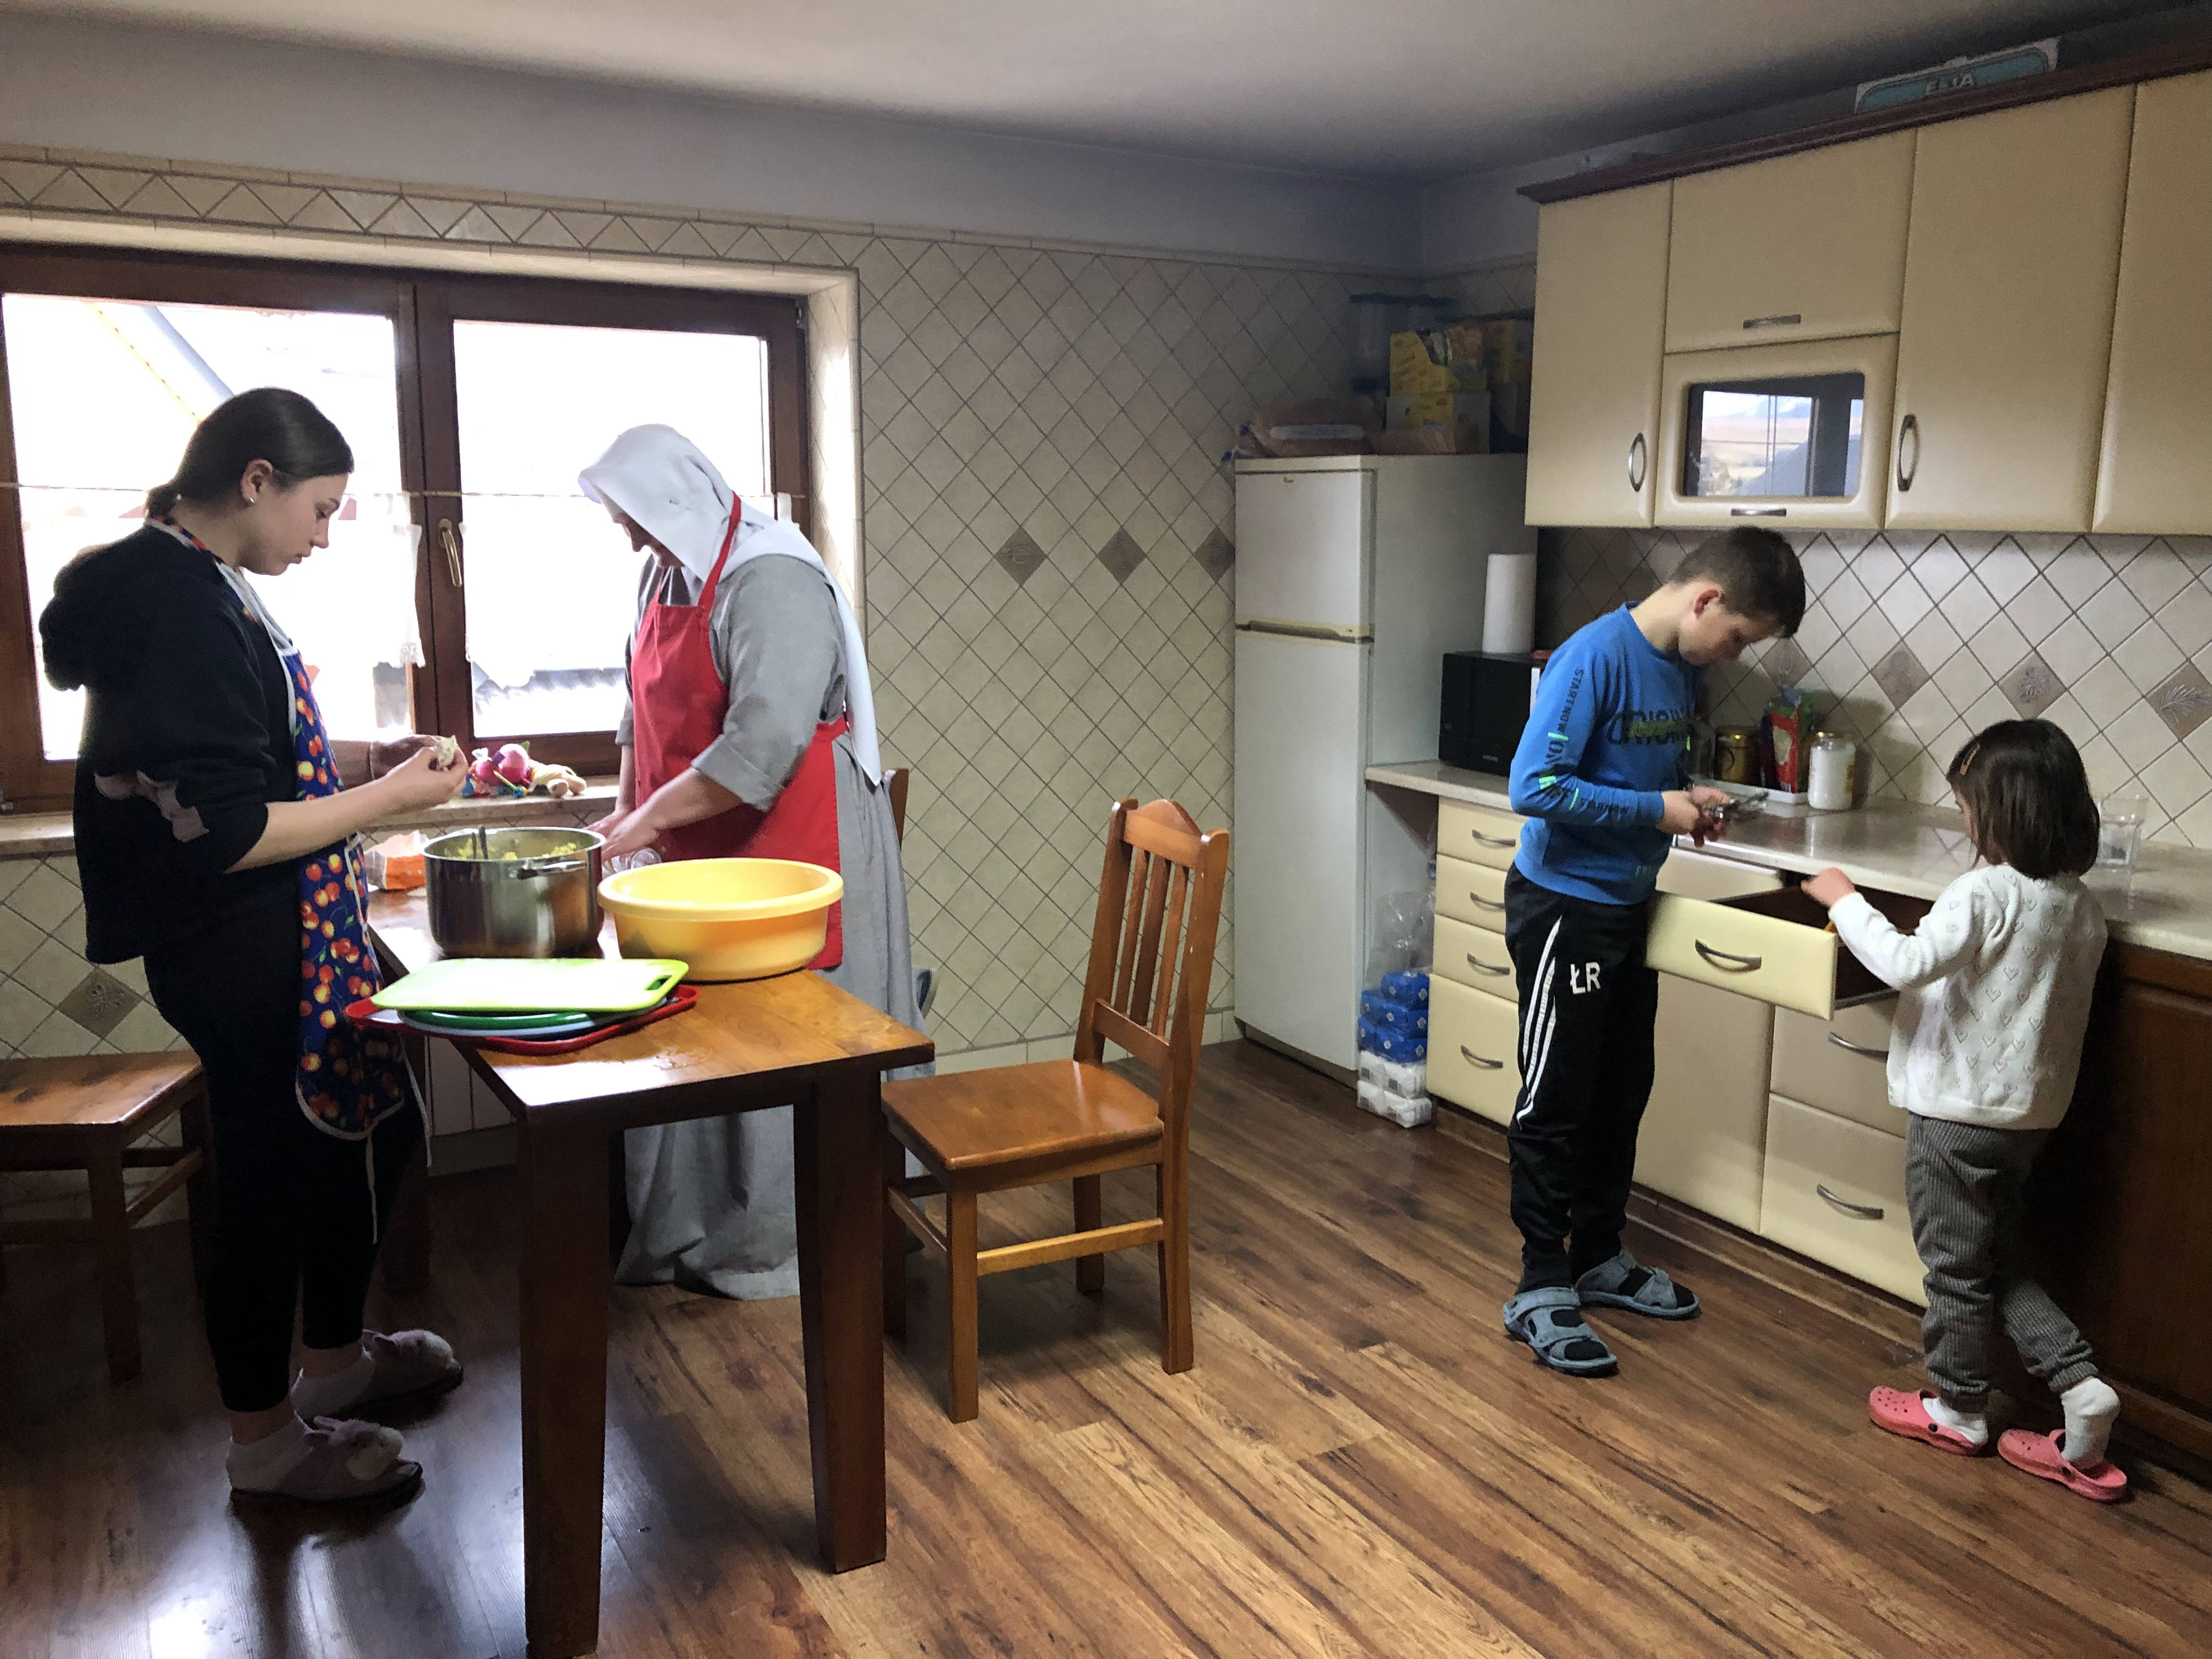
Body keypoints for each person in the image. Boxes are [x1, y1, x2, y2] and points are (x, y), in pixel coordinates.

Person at [40, 388, 469, 1505]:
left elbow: (246, 761)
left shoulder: (203, 581)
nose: (322, 539)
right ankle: (265, 1445)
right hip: (236, 934)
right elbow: (226, 834)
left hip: (294, 922)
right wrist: (385, 799)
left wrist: (375, 778)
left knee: (368, 1128)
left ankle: (332, 1364)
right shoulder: (169, 601)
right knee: (271, 1175)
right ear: (256, 483)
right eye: (319, 512)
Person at [580, 425, 921, 1299]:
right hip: (702, 841)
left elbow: (763, 748)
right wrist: (627, 813)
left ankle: (787, 1239)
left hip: (793, 838)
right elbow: (638, 713)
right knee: (703, 1037)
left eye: (632, 517)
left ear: (672, 503)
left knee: (785, 1039)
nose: (625, 536)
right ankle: (694, 1228)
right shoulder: (667, 571)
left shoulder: (771, 579)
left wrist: (642, 825)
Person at [1499, 527, 1805, 1376]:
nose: (1734, 653)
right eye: (1740, 636)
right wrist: (1654, 813)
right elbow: (1535, 787)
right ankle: (1539, 1283)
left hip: (1631, 906)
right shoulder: (1595, 657)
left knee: (1620, 1089)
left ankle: (1599, 1255)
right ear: (1705, 599)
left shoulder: (1681, 668)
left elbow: (1636, 784)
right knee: (1555, 1101)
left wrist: (1686, 801)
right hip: (1566, 906)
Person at [1803, 720, 2124, 1501]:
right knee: (1992, 1262)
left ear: (2004, 809)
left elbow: (1907, 963)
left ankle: (1958, 1409)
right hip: (2029, 1122)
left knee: (1953, 1271)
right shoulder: (2080, 907)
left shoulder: (1984, 892)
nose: (1963, 819)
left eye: (1968, 804)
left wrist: (1845, 901)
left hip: (1955, 1120)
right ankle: (2080, 1387)